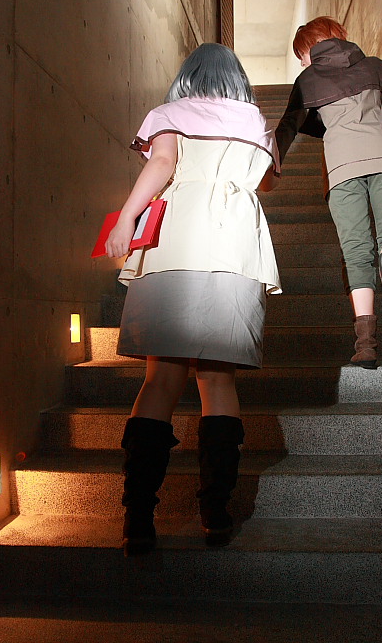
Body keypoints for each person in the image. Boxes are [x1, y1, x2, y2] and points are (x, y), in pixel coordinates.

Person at [105, 43, 281, 555]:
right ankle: (216, 513)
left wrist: (126, 217)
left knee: (160, 379)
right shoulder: (254, 119)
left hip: (175, 243)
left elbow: (162, 161)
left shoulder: (169, 113)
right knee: (218, 380)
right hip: (235, 248)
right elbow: (267, 182)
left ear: (187, 76)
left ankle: (139, 518)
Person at [275, 16, 382, 369]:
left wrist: (270, 166)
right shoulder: (371, 65)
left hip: (341, 169)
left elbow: (288, 126)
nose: (302, 63)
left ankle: (366, 344)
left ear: (309, 49)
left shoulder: (307, 80)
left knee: (355, 254)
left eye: (301, 55)